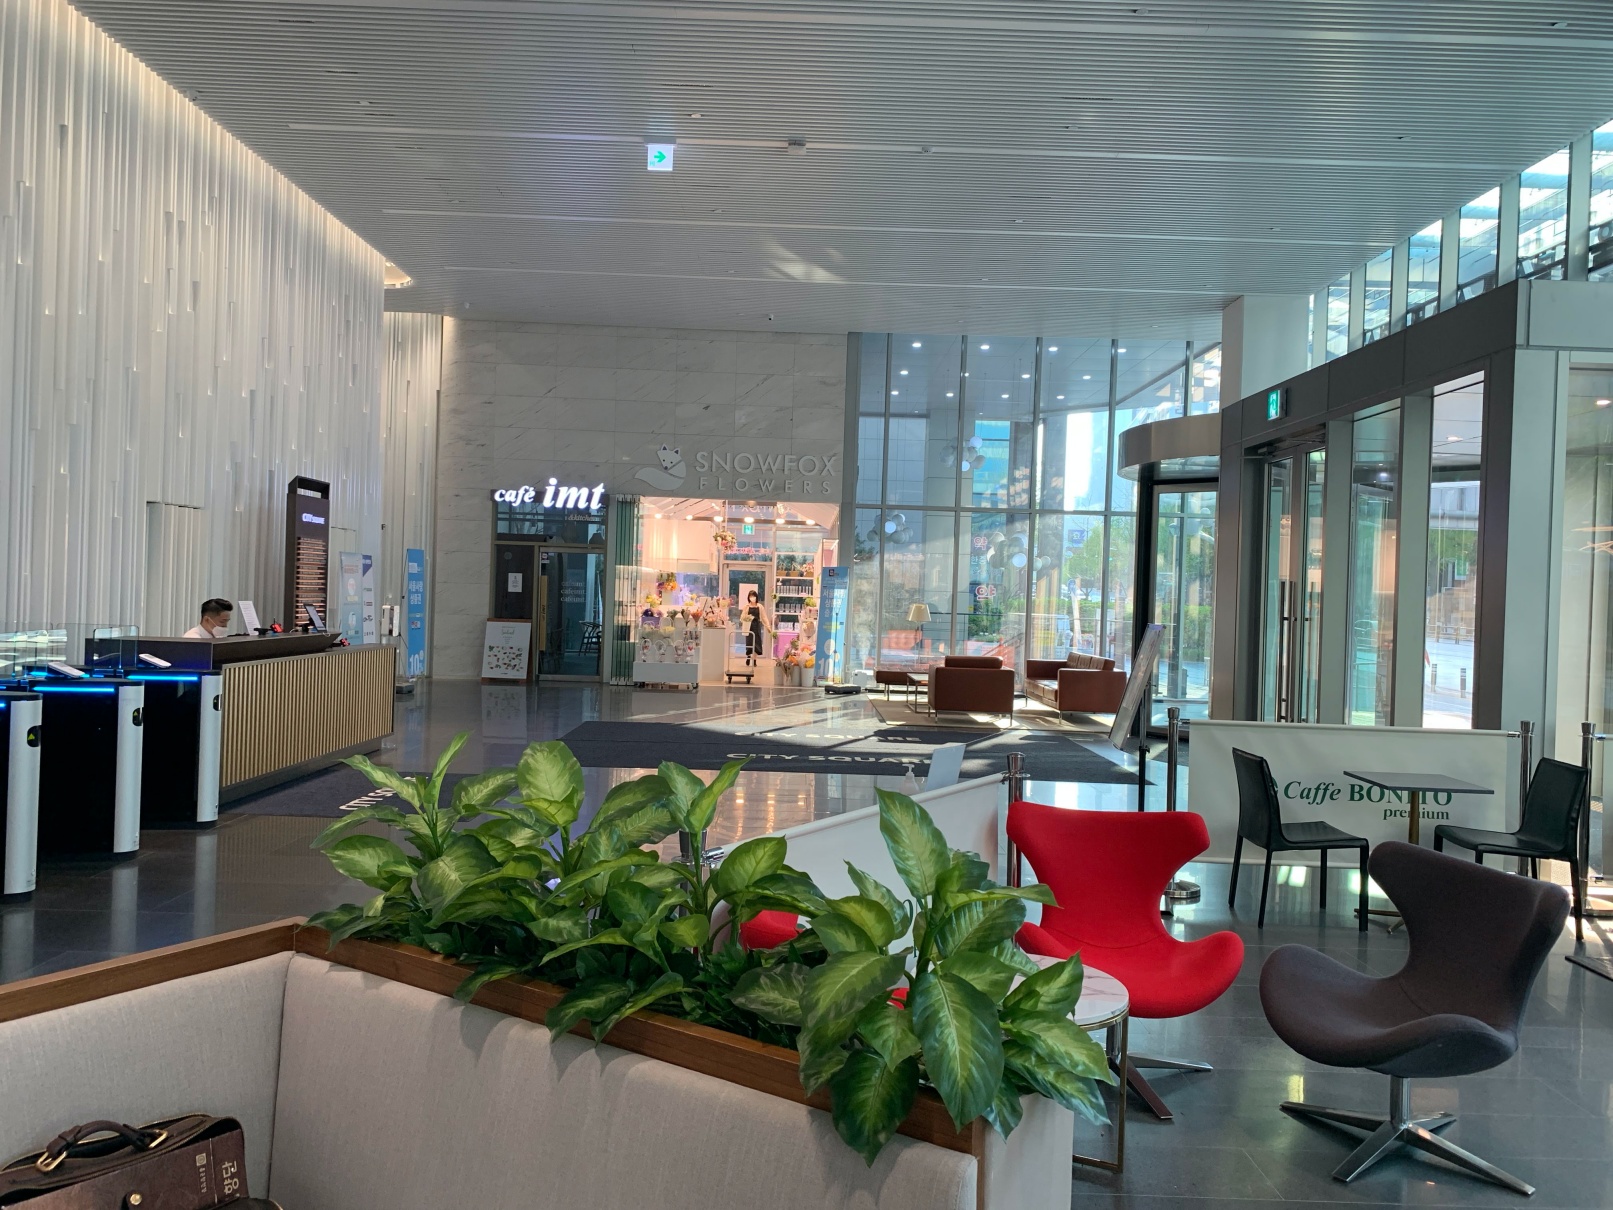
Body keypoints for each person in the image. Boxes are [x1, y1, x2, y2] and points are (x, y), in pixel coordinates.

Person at [743, 589, 772, 667]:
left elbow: (764, 617)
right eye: (751, 596)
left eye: (753, 596)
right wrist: (745, 619)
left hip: (757, 626)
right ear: (748, 598)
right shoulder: (746, 607)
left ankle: (755, 660)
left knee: (757, 643)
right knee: (749, 642)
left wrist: (768, 626)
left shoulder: (760, 606)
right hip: (749, 626)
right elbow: (742, 617)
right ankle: (748, 656)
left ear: (756, 597)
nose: (752, 598)